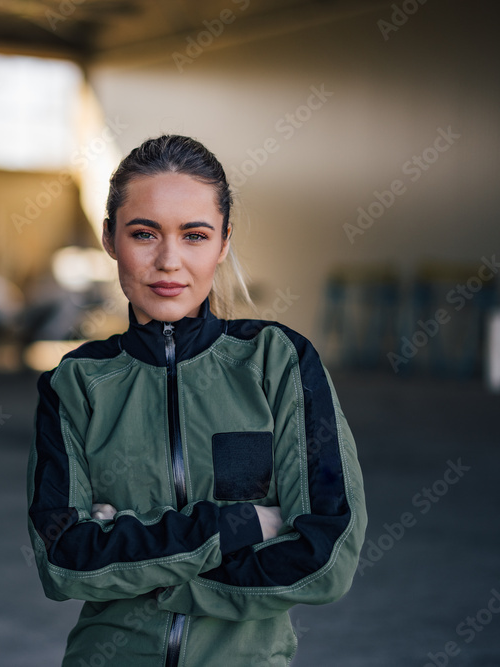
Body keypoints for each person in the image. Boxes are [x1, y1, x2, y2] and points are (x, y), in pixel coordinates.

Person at [26, 135, 367, 666]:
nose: (169, 261)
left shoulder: (279, 362)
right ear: (110, 239)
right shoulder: (75, 384)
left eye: (195, 235)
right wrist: (243, 525)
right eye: (144, 234)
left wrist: (143, 563)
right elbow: (64, 561)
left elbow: (327, 554)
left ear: (223, 243)